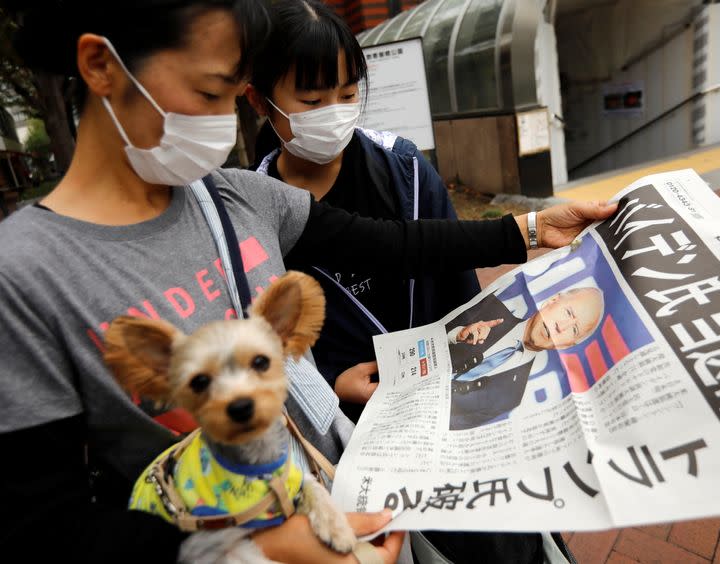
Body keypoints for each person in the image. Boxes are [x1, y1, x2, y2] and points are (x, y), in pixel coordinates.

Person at [0, 1, 616, 562]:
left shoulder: (235, 199)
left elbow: (394, 245)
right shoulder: (23, 273)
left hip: (341, 501)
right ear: (101, 66)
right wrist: (263, 552)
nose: (224, 122)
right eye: (212, 91)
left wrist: (531, 230)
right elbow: (44, 524)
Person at [244, 0, 481, 422]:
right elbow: (269, 338)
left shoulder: (404, 170)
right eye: (312, 99)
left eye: (348, 94)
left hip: (439, 392)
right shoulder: (253, 212)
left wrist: (472, 350)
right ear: (260, 102)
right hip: (347, 420)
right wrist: (332, 381)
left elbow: (457, 278)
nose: (334, 112)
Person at [446, 287, 604, 430]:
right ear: (552, 300)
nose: (561, 327)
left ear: (567, 345)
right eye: (568, 312)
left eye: (574, 329)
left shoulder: (512, 397)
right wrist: (455, 336)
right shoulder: (490, 307)